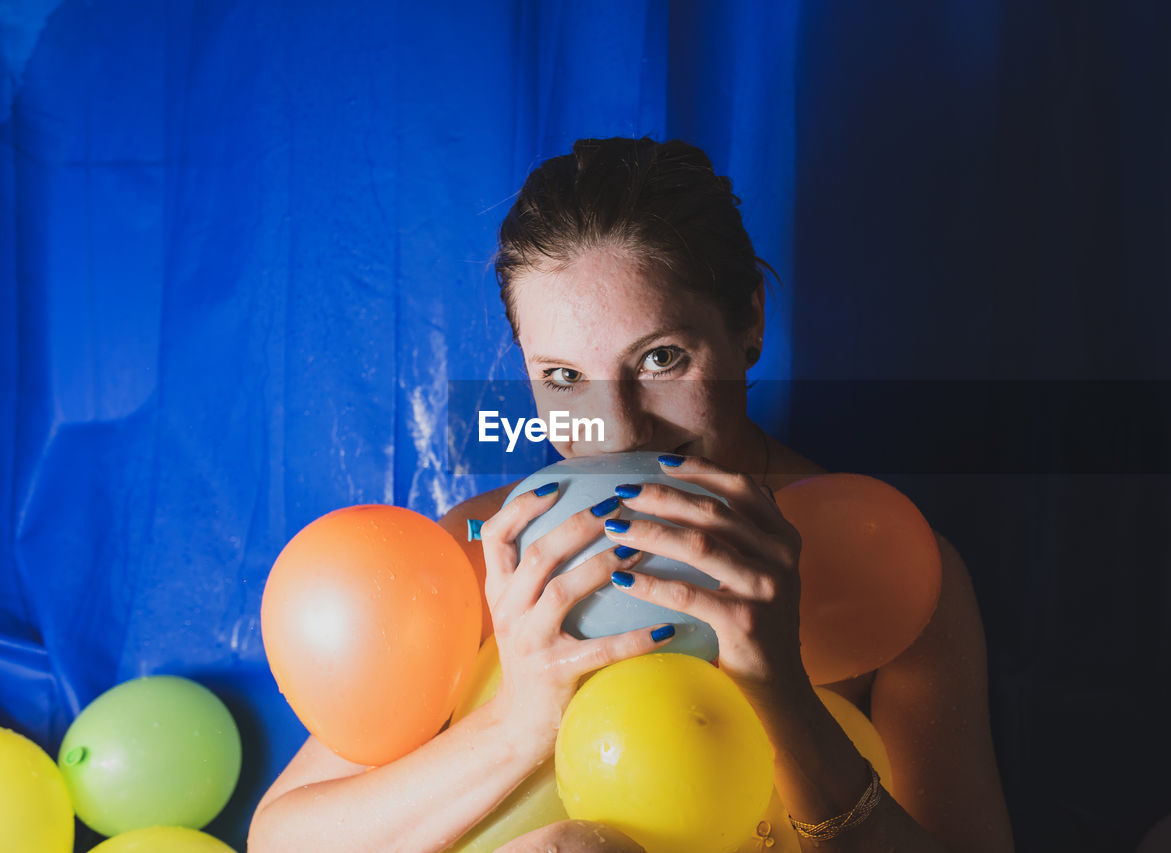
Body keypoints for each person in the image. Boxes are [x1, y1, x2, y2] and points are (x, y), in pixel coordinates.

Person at [248, 137, 1015, 853]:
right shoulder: (490, 547)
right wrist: (518, 725)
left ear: (748, 319)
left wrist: (783, 696)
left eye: (661, 358)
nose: (616, 429)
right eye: (563, 377)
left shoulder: (890, 571)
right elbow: (282, 837)